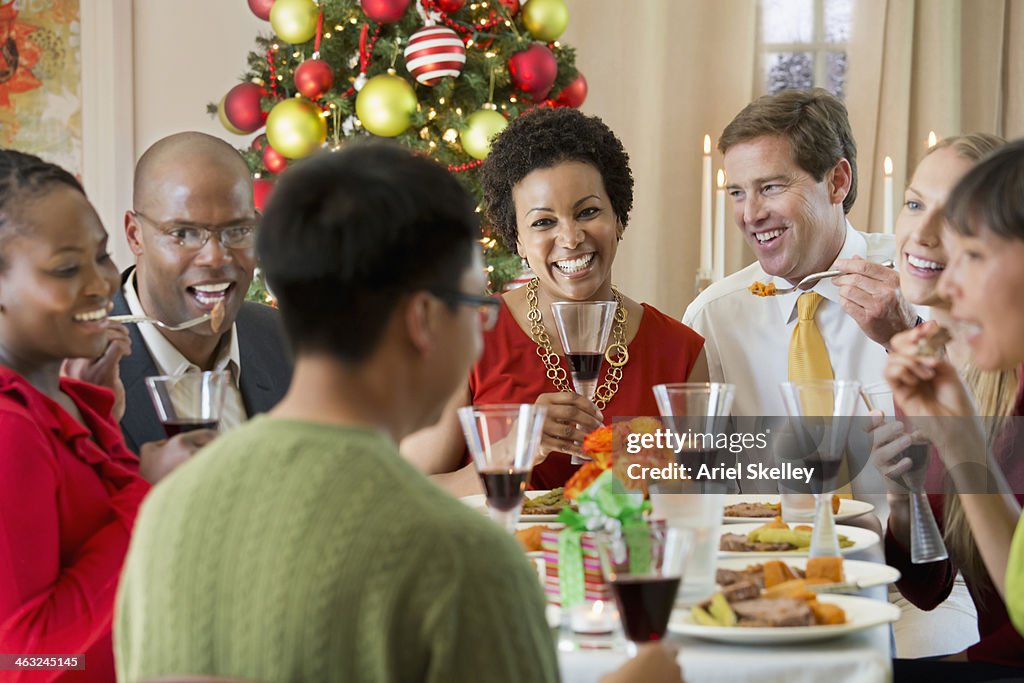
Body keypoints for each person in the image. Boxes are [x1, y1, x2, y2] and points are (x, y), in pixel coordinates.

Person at [114, 142, 685, 683]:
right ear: (423, 320)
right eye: (475, 306)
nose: (485, 328)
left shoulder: (166, 508)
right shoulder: (460, 557)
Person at [403, 107, 707, 494]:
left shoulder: (681, 352)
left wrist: (656, 473)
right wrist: (512, 451)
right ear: (517, 240)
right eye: (543, 222)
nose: (570, 238)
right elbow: (406, 492)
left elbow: (701, 496)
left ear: (619, 218)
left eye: (589, 212)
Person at [0, 151, 205, 683]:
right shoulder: (10, 430)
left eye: (101, 257)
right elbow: (22, 660)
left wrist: (97, 411)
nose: (102, 285)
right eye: (67, 267)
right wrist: (149, 495)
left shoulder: (64, 403)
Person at [869, 135, 1022, 664]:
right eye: (914, 203)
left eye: (971, 245)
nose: (923, 234)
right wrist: (903, 497)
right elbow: (929, 584)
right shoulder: (936, 367)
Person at [683, 89, 917, 418]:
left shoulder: (920, 286)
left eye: (771, 187)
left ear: (837, 181)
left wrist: (907, 336)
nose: (750, 215)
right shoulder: (713, 318)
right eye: (737, 192)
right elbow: (699, 465)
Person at [74, 132, 291, 452]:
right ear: (135, 236)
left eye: (237, 231)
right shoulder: (76, 365)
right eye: (184, 233)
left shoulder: (287, 342)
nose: (216, 257)